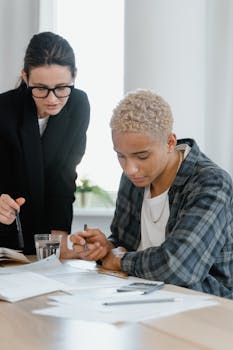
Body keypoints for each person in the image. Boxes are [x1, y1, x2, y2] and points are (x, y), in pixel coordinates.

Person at [71, 90, 233, 298]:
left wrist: (120, 260)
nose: (130, 169)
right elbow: (126, 244)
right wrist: (106, 247)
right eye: (121, 156)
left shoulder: (211, 183)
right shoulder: (134, 178)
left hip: (207, 307)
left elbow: (179, 266)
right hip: (144, 298)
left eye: (142, 156)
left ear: (170, 143)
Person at [0, 31, 90, 257]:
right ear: (25, 77)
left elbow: (64, 174)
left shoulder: (78, 105)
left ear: (74, 77)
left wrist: (58, 242)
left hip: (43, 236)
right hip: (6, 233)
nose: (52, 99)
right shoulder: (3, 110)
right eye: (40, 88)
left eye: (61, 88)